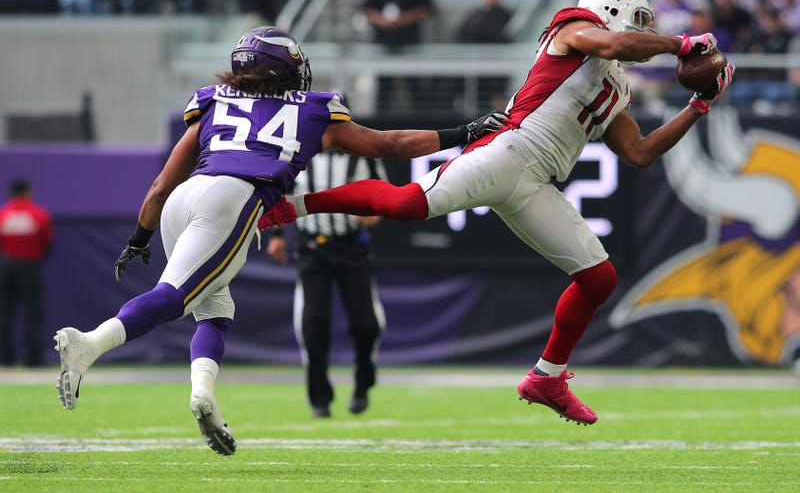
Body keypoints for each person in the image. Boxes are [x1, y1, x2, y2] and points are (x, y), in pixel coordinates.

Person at [259, 0, 736, 426]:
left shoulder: (617, 86)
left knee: (598, 278)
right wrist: (680, 44)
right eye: (638, 21)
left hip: (537, 184)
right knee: (406, 205)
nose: (643, 32)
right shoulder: (573, 27)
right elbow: (614, 44)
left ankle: (547, 377)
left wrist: (697, 107)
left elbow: (640, 153)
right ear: (611, 10)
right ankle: (293, 206)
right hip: (508, 149)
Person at [52, 25, 507, 455]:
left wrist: (139, 238)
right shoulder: (313, 108)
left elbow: (158, 189)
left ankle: (203, 396)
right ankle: (90, 344)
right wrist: (464, 133)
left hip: (185, 199)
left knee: (215, 307)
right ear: (282, 67)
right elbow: (390, 144)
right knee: (174, 299)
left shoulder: (211, 101)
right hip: (234, 199)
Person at [263, 151, 388, 419]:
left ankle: (363, 384)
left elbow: (383, 197)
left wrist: (374, 214)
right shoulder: (300, 152)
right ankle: (320, 398)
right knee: (314, 323)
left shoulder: (364, 156)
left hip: (352, 246)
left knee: (366, 324)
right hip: (312, 248)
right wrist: (277, 235)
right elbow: (282, 193)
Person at [362, 0, 433, 112]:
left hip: (410, 43)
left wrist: (404, 19)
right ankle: (380, 128)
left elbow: (427, 9)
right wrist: (383, 21)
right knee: (384, 88)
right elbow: (367, 10)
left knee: (414, 87)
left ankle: (420, 127)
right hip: (383, 44)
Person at [0, 178, 53, 367]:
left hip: (6, 265)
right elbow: (47, 242)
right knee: (33, 313)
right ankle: (32, 358)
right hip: (29, 265)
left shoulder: (3, 214)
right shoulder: (38, 214)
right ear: (28, 191)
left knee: (5, 312)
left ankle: (5, 357)